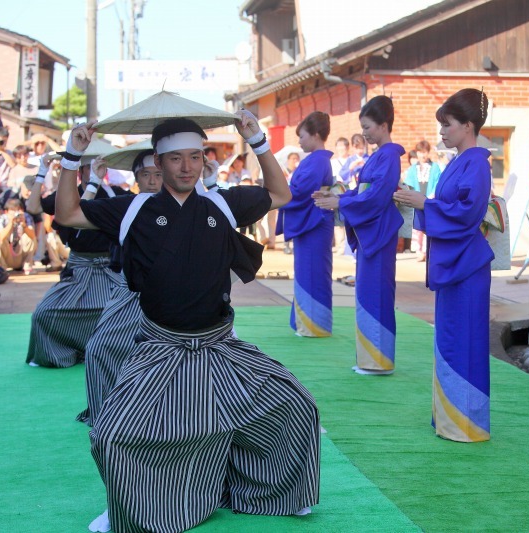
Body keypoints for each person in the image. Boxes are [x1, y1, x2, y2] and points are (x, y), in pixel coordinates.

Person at [55, 113, 319, 532]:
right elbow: (67, 215)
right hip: (161, 348)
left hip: (221, 345)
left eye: (195, 157)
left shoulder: (220, 202)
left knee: (295, 406)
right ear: (158, 163)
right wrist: (73, 157)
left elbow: (280, 194)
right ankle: (127, 507)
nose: (186, 167)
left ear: (203, 159)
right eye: (175, 159)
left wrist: (258, 141)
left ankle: (266, 492)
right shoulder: (134, 208)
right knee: (114, 435)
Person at [395, 88, 493, 442]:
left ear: (468, 125)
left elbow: (466, 214)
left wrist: (425, 202)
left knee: (463, 340)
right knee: (452, 339)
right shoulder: (461, 162)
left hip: (465, 266)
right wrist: (421, 202)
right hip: (458, 262)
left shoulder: (477, 163)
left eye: (448, 125)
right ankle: (453, 419)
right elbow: (453, 210)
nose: (442, 132)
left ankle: (466, 423)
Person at [314, 96, 404, 374]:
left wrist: (341, 202)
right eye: (363, 127)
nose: (364, 133)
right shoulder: (379, 155)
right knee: (368, 292)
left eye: (368, 127)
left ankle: (378, 361)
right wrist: (337, 194)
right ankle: (371, 358)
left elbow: (376, 197)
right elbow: (364, 192)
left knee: (375, 292)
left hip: (378, 231)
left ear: (384, 125)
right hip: (372, 231)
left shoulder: (388, 155)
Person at [76, 149, 163, 427]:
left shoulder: (190, 204)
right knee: (99, 349)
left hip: (180, 298)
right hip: (126, 290)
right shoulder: (126, 205)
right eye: (145, 174)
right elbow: (71, 223)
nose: (152, 180)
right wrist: (91, 180)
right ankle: (109, 410)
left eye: (158, 174)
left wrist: (208, 181)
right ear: (136, 178)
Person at [25, 156, 126, 368]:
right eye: (89, 167)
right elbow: (33, 207)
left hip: (112, 270)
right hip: (79, 270)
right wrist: (42, 172)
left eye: (99, 165)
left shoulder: (115, 195)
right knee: (44, 314)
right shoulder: (68, 195)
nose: (95, 170)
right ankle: (62, 352)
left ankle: (108, 350)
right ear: (79, 172)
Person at [277, 111, 335, 337]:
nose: (299, 141)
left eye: (302, 136)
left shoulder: (317, 160)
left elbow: (301, 192)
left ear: (316, 135)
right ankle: (310, 323)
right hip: (312, 221)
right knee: (310, 271)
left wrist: (279, 192)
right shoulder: (317, 160)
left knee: (311, 272)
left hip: (312, 222)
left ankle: (313, 325)